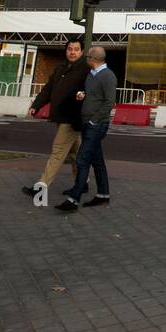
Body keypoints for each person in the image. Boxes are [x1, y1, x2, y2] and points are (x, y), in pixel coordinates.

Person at [22, 39, 90, 198]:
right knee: (75, 153)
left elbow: (89, 91)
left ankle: (41, 186)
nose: (72, 52)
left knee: (58, 152)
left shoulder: (85, 69)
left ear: (82, 52)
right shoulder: (60, 68)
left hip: (72, 118)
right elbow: (48, 89)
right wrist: (36, 105)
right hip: (61, 116)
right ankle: (83, 183)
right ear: (66, 51)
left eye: (76, 49)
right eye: (70, 49)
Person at [57, 47, 118, 211]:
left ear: (93, 59)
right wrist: (82, 95)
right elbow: (92, 94)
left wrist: (94, 121)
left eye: (87, 57)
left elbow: (109, 102)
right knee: (97, 161)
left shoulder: (108, 76)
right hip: (87, 123)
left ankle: (73, 199)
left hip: (96, 125)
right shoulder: (91, 75)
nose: (85, 59)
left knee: (82, 160)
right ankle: (103, 195)